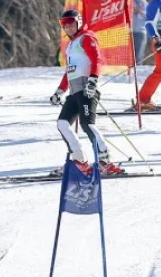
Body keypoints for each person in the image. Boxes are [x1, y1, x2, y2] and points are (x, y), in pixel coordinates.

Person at [50, 9, 123, 176]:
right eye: (64, 24)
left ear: (79, 22)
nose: (67, 27)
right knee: (62, 124)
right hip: (74, 93)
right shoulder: (71, 44)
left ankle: (105, 162)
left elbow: (96, 59)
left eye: (70, 23)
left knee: (87, 125)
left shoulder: (87, 38)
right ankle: (79, 161)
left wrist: (93, 80)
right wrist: (59, 91)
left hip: (87, 90)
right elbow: (70, 71)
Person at [131, 0, 148, 65]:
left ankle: (138, 70)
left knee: (139, 54)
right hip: (129, 31)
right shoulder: (130, 1)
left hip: (141, 32)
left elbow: (150, 18)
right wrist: (132, 11)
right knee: (130, 54)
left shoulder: (147, 4)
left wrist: (140, 11)